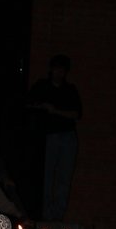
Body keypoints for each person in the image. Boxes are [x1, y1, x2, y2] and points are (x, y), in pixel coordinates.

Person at [27, 54, 82, 220]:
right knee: (47, 177)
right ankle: (45, 214)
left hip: (67, 137)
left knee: (64, 178)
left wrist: (55, 110)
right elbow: (28, 104)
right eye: (56, 69)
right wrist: (42, 107)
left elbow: (76, 114)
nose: (59, 72)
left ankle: (57, 215)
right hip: (48, 136)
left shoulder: (70, 90)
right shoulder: (42, 86)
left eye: (62, 70)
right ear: (51, 69)